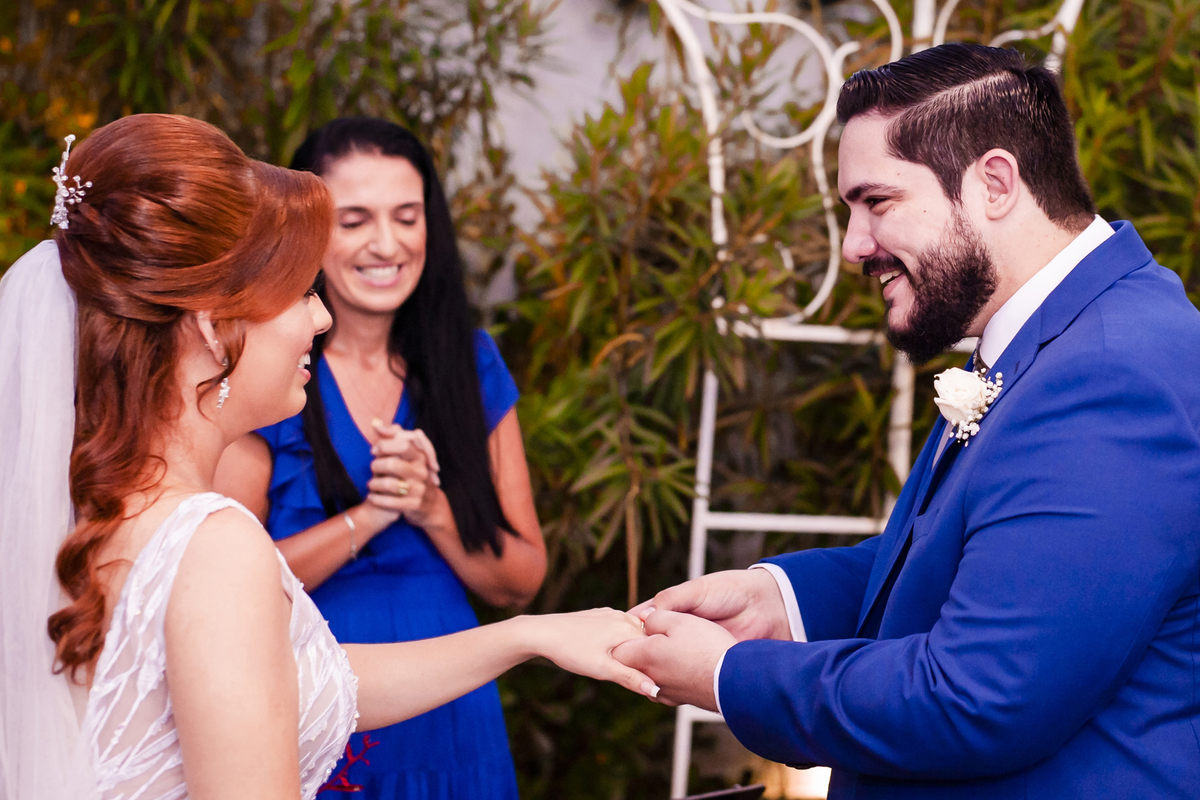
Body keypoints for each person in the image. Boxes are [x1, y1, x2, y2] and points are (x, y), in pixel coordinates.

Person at [0, 114, 656, 800]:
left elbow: (292, 681)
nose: (319, 317)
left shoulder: (105, 513)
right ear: (213, 327)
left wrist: (525, 636)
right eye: (297, 292)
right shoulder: (214, 545)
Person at [612, 43, 1200, 799]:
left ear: (994, 182)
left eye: (877, 202)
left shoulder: (1115, 374)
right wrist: (781, 602)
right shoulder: (1059, 335)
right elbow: (981, 560)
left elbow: (978, 699)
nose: (854, 246)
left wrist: (730, 675)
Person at [212, 117, 545, 797]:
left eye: (406, 217)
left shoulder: (471, 364)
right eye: (355, 220)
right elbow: (219, 589)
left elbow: (521, 581)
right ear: (308, 233)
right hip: (316, 711)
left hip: (456, 717)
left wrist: (430, 507)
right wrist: (369, 516)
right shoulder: (265, 367)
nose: (387, 244)